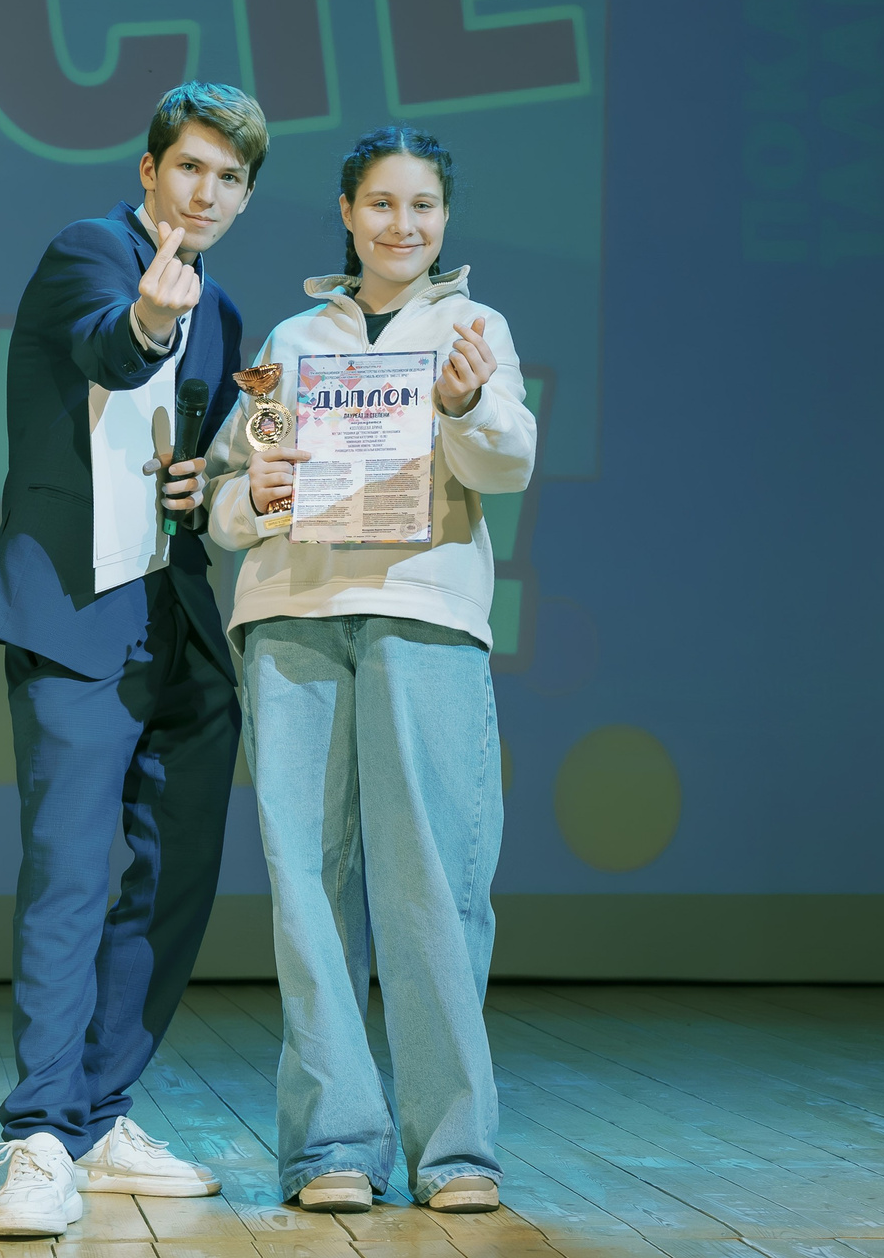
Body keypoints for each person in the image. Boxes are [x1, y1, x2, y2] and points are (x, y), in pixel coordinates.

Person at [204, 127, 535, 1214]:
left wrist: (465, 406)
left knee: (433, 884)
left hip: (420, 615)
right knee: (307, 887)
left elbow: (508, 464)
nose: (403, 224)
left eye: (423, 205)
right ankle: (332, 1146)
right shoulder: (292, 342)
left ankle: (457, 1151)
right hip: (294, 618)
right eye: (382, 203)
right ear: (347, 214)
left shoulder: (474, 332)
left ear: (446, 219)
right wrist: (257, 495)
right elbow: (230, 493)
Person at [0, 82, 267, 1238]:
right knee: (67, 873)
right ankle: (39, 1134)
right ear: (150, 171)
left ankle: (98, 1112)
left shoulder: (225, 309)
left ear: (245, 196)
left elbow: (188, 457)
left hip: (175, 622)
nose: (205, 192)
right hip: (76, 615)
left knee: (177, 874)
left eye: (229, 178)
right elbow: (106, 343)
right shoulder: (90, 251)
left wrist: (202, 484)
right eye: (189, 167)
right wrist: (146, 321)